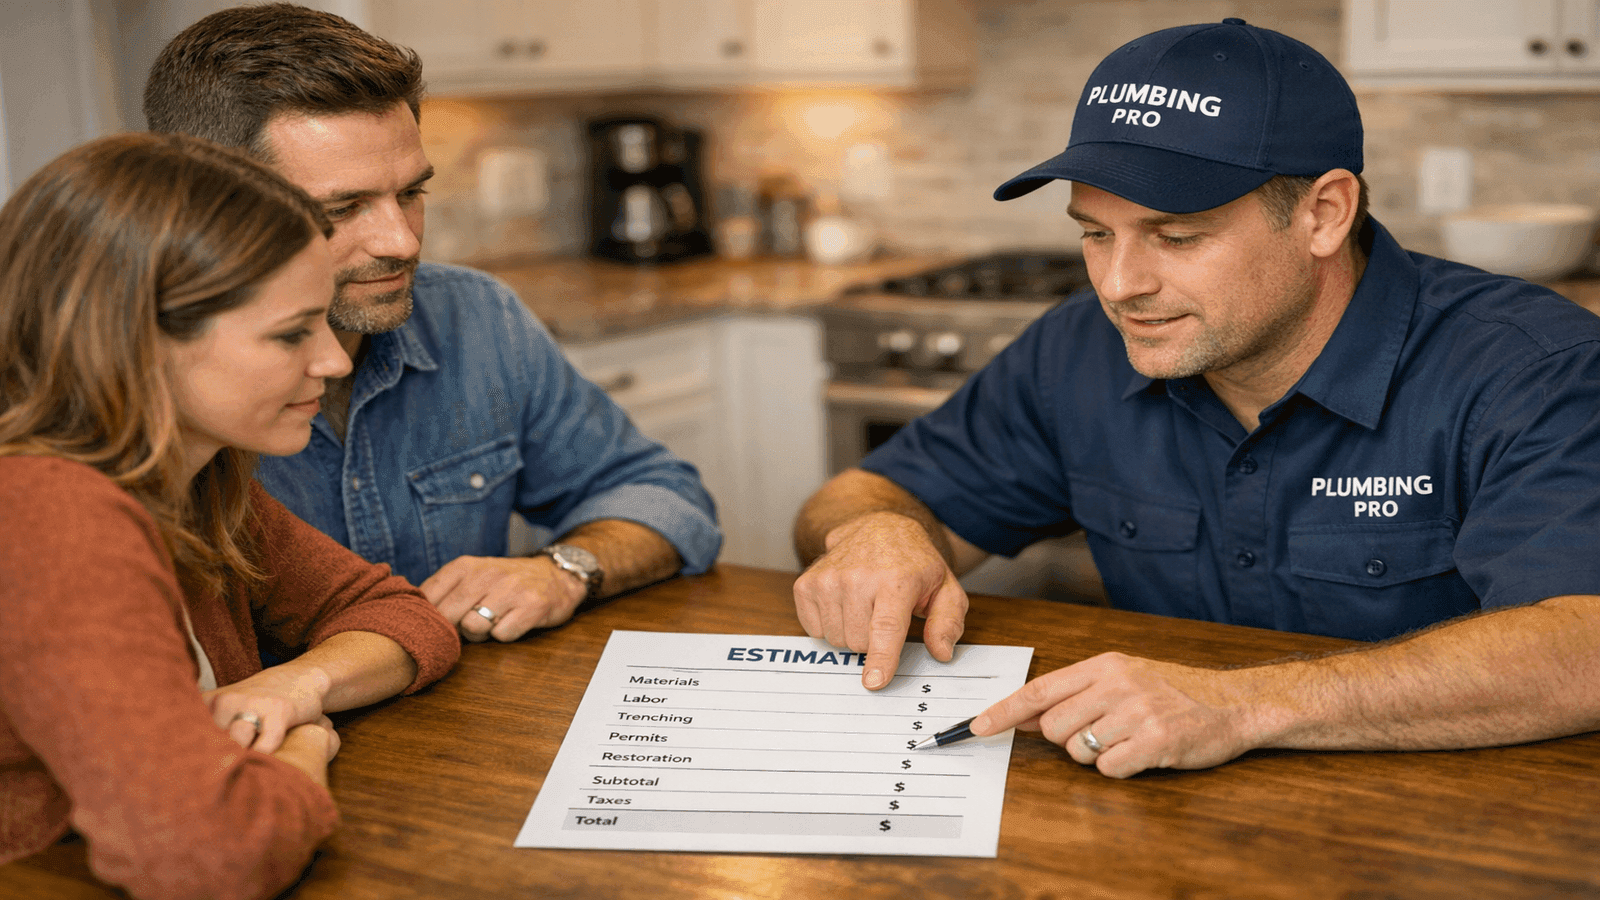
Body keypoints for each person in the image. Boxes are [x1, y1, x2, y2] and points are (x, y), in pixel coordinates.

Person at [791, 18, 1600, 779]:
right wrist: (876, 531)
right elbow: (865, 493)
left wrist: (1242, 704)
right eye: (1095, 233)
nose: (1119, 285)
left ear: (1324, 214)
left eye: (1176, 237)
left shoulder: (1534, 369)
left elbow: (1584, 647)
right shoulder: (1074, 350)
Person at [141, 4, 721, 645]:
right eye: (343, 207)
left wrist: (562, 570)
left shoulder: (477, 317)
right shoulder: (145, 391)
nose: (401, 241)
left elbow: (665, 496)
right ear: (207, 204)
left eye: (411, 194)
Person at [0, 132, 461, 899]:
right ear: (136, 342)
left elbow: (394, 613)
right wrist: (300, 754)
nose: (334, 360)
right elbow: (210, 858)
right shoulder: (52, 515)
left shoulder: (198, 480)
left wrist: (299, 687)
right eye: (290, 334)